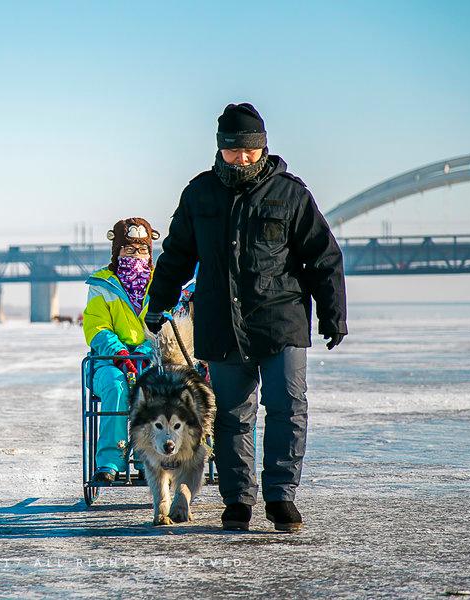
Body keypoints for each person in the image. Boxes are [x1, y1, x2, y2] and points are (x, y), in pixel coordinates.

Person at [145, 103, 347, 532]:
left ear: (263, 147)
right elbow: (177, 254)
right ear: (221, 150)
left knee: (288, 408)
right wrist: (158, 304)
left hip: (281, 320)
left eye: (251, 150)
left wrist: (333, 314)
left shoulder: (290, 194)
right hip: (221, 323)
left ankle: (280, 498)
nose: (244, 158)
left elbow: (323, 257)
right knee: (233, 415)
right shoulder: (200, 193)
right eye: (235, 150)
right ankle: (237, 500)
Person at [82, 217, 160, 483]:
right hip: (108, 361)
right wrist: (119, 352)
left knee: (153, 387)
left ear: (150, 252)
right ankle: (109, 462)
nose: (135, 255)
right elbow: (96, 325)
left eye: (142, 250)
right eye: (129, 250)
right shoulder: (102, 284)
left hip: (150, 359)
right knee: (116, 387)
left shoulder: (162, 283)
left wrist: (146, 350)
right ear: (117, 252)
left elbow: (167, 322)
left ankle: (147, 458)